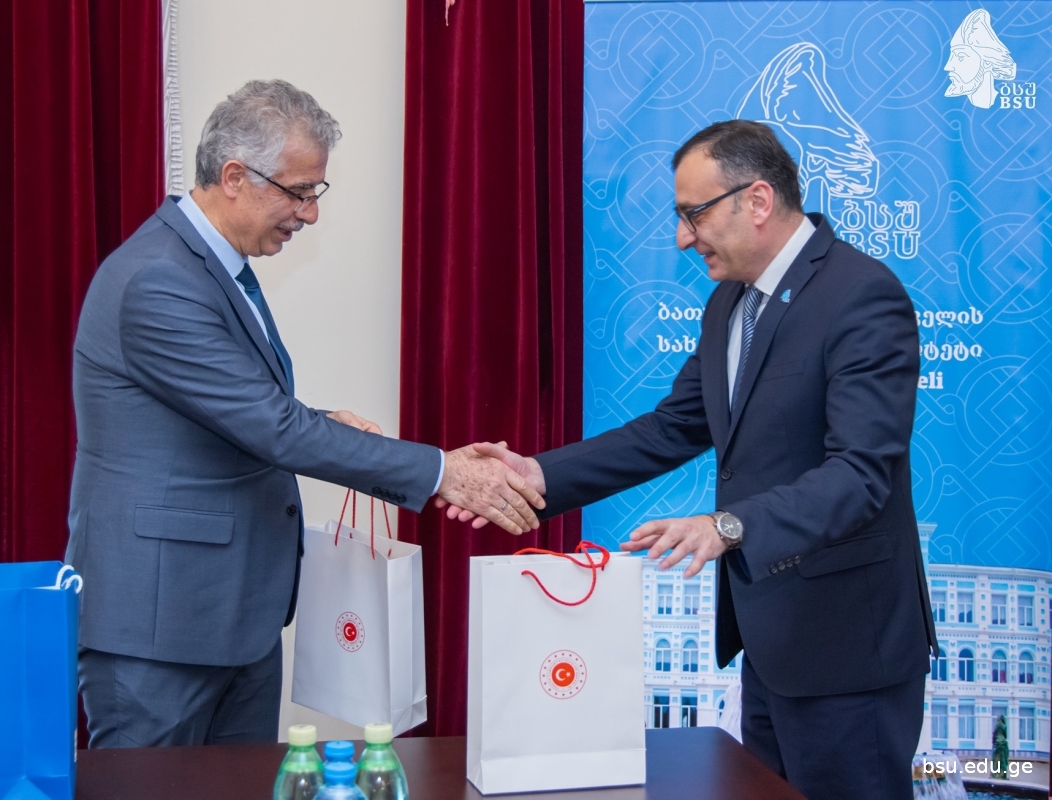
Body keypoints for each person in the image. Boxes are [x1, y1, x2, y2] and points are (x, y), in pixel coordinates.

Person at [441, 120, 937, 800]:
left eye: (693, 214)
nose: (682, 237)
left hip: (849, 650)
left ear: (757, 200)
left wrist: (727, 526)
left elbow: (860, 474)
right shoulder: (730, 301)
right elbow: (673, 428)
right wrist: (537, 475)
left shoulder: (860, 296)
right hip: (771, 645)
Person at [67, 79, 542, 749]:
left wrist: (320, 421)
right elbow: (271, 426)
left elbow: (224, 408)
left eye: (316, 192)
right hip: (159, 627)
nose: (310, 215)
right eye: (298, 192)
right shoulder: (158, 279)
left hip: (233, 617)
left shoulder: (213, 265)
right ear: (235, 177)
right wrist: (443, 472)